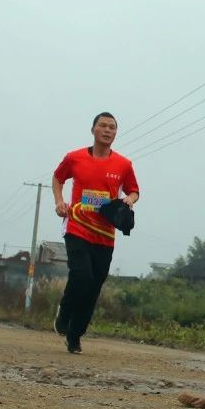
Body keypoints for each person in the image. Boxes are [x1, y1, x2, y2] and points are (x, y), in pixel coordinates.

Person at [51, 112, 140, 354]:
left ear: (115, 133)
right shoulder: (75, 158)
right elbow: (58, 178)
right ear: (93, 130)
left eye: (112, 127)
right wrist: (59, 202)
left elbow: (134, 191)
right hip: (77, 226)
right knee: (81, 275)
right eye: (102, 125)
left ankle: (75, 335)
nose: (107, 130)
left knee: (94, 285)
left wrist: (129, 200)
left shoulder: (123, 164)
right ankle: (65, 313)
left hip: (105, 233)